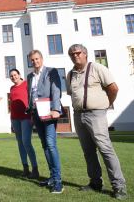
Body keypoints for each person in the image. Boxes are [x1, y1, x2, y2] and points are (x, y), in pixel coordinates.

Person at [66, 44, 127, 200]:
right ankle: (95, 183)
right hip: (78, 115)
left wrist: (106, 104)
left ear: (85, 54)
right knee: (88, 151)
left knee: (105, 149)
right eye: (71, 54)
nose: (75, 56)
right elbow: (72, 94)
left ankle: (119, 186)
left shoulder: (98, 68)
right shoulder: (70, 74)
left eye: (78, 53)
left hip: (96, 114)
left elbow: (113, 88)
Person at [27, 50, 63, 194]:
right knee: (44, 145)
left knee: (50, 144)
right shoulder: (30, 76)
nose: (35, 62)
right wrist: (30, 112)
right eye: (32, 60)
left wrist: (56, 109)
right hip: (36, 113)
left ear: (41, 59)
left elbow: (55, 91)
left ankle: (58, 181)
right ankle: (52, 177)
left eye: (37, 59)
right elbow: (30, 94)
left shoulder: (51, 72)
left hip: (48, 111)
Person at [8, 68, 39, 179]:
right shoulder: (11, 88)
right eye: (11, 76)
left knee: (26, 142)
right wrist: (11, 120)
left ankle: (35, 169)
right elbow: (12, 103)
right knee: (20, 143)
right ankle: (25, 168)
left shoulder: (27, 84)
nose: (13, 77)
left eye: (15, 75)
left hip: (26, 117)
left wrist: (32, 115)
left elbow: (32, 99)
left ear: (19, 75)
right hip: (15, 119)